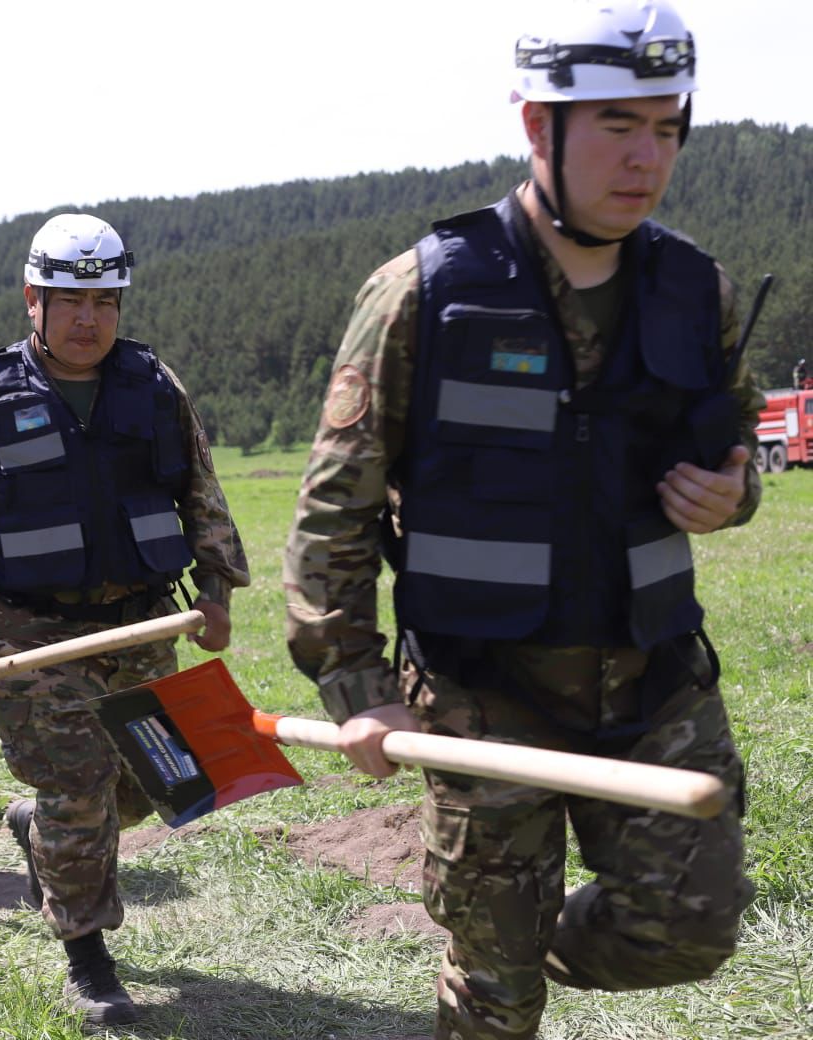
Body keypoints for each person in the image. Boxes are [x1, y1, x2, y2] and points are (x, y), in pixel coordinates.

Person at [282, 4, 759, 1037]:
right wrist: (359, 686)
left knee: (688, 928)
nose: (646, 158)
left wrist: (731, 496)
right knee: (496, 1000)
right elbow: (334, 510)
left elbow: (733, 455)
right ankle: (494, 951)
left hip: (656, 682)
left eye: (666, 129)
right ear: (539, 125)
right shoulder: (423, 294)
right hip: (480, 692)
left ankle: (513, 935)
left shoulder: (698, 292)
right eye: (618, 126)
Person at [0, 214, 249, 1026]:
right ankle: (88, 959)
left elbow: (201, 492)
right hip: (31, 630)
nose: (89, 319)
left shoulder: (155, 388)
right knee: (78, 788)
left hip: (142, 623)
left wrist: (217, 591)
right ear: (33, 299)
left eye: (104, 302)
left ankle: (37, 829)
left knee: (146, 786)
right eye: (71, 301)